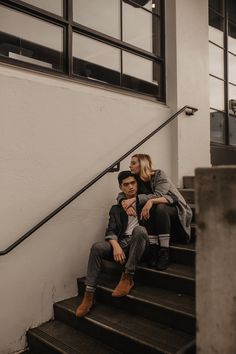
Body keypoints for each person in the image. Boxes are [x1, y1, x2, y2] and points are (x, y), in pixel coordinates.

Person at [75, 170, 153, 318]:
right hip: (123, 244)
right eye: (126, 184)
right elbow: (110, 230)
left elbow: (167, 197)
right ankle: (89, 294)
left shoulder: (145, 201)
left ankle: (127, 277)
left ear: (137, 184)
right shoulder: (116, 208)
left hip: (141, 245)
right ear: (121, 187)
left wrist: (147, 202)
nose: (130, 187)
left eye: (133, 183)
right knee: (97, 247)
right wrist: (116, 246)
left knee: (139, 229)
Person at [117, 154, 192, 271]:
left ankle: (164, 251)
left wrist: (146, 201)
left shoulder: (159, 175)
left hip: (175, 210)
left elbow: (165, 197)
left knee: (159, 207)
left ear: (142, 163)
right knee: (148, 207)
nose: (130, 166)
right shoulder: (137, 179)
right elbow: (122, 193)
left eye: (133, 163)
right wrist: (123, 202)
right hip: (158, 216)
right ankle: (153, 247)